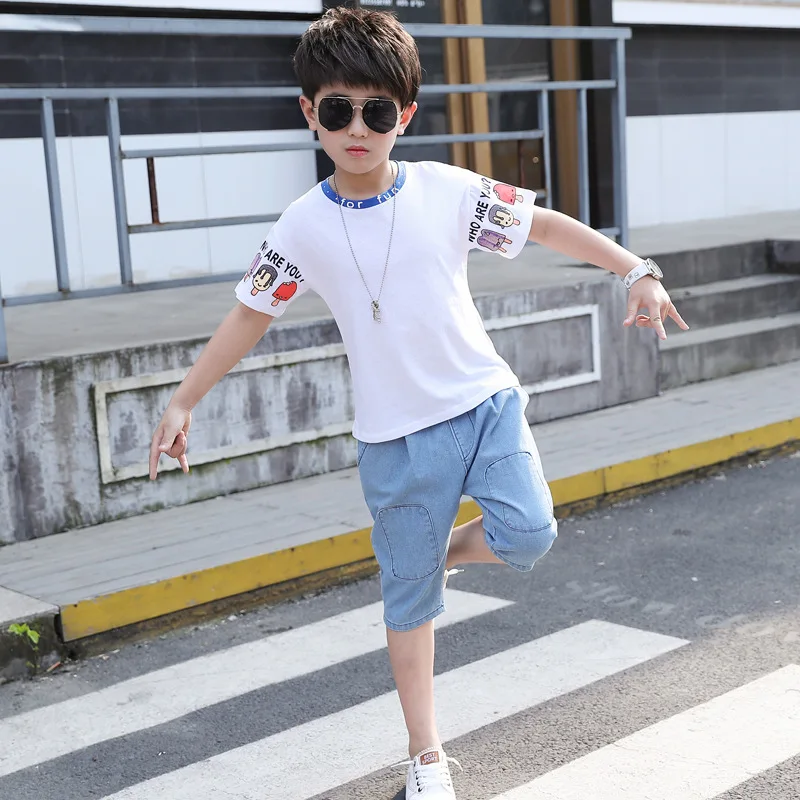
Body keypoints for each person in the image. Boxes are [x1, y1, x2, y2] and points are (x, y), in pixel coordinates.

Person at [148, 7, 688, 798]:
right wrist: (183, 401)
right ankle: (426, 756)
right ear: (309, 113)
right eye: (337, 110)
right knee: (409, 607)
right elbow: (249, 315)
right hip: (393, 440)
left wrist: (635, 269)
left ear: (404, 114)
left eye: (376, 112)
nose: (356, 129)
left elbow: (543, 227)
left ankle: (435, 554)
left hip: (483, 405)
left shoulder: (447, 189)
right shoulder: (301, 227)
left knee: (530, 533)